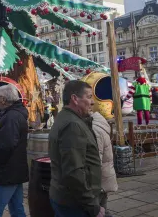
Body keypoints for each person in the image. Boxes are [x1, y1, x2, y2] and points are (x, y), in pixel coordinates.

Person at [49, 80, 105, 217]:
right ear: (75, 99)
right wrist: (92, 206)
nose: (92, 102)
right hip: (74, 203)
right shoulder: (72, 125)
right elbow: (74, 172)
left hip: (67, 197)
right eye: (89, 97)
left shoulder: (66, 117)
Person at [0, 84, 28, 217]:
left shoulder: (11, 117)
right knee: (16, 207)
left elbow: (6, 145)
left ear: (3, 100)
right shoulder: (13, 114)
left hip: (5, 172)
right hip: (14, 170)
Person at [91, 110, 118, 217]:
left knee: (98, 210)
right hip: (104, 177)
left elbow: (96, 159)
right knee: (103, 210)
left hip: (99, 180)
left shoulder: (94, 129)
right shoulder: (99, 124)